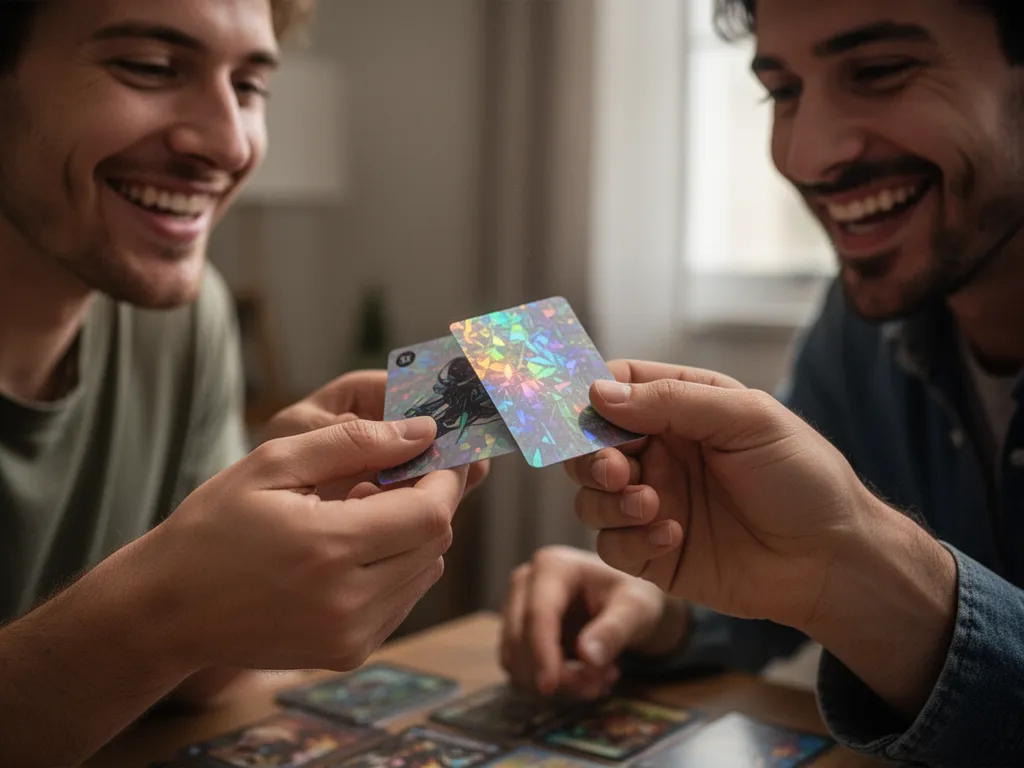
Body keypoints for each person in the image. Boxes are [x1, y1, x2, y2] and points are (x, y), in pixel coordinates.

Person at [501, 1, 1024, 766]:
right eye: (782, 92)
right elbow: (785, 578)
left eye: (878, 71)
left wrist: (871, 568)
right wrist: (659, 612)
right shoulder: (858, 327)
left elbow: (832, 564)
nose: (805, 156)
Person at [0, 1, 487, 765]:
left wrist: (265, 569)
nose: (229, 143)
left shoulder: (189, 318)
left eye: (251, 86)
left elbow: (190, 685)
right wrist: (162, 611)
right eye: (150, 68)